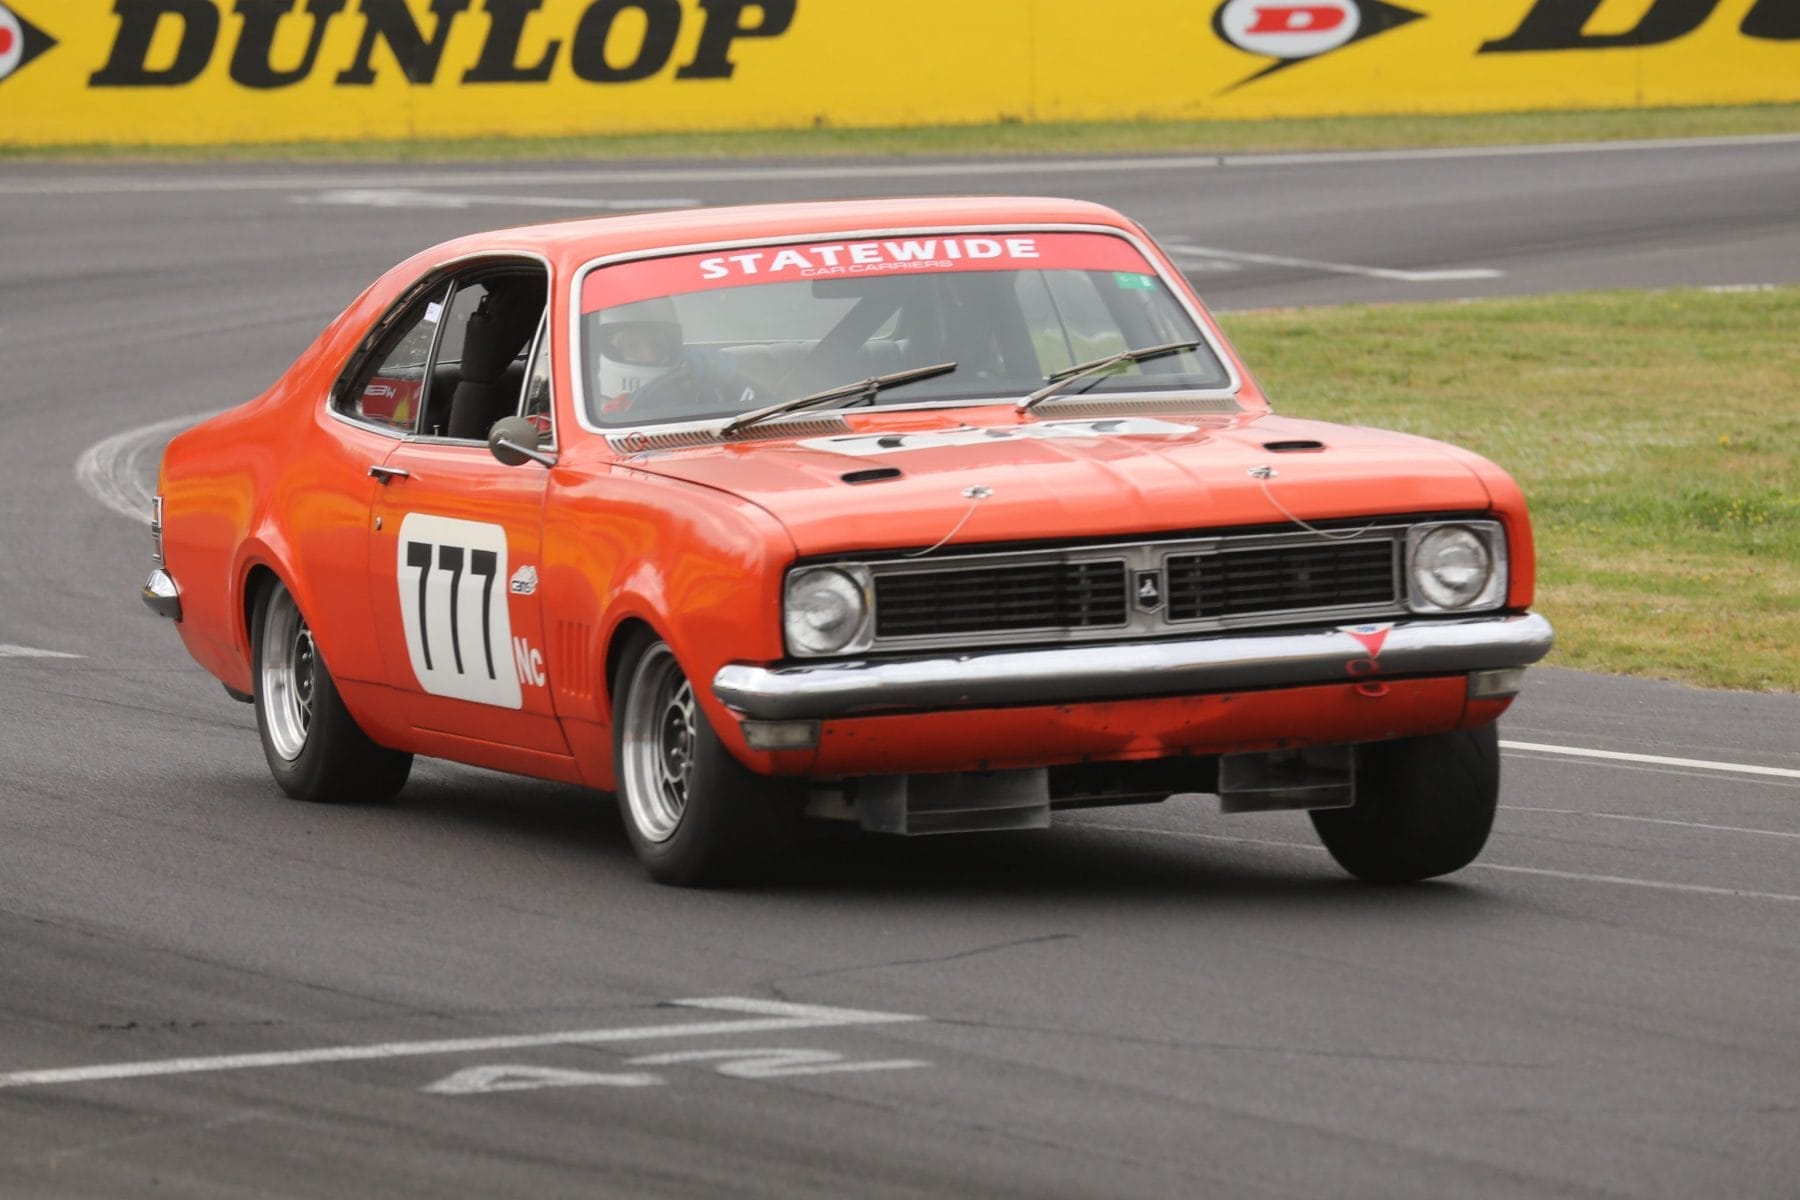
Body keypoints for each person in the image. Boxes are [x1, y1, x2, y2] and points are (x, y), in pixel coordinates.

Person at [593, 297, 758, 419]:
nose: (649, 357)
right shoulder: (600, 416)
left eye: (657, 345)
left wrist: (732, 380)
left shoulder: (703, 380)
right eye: (631, 347)